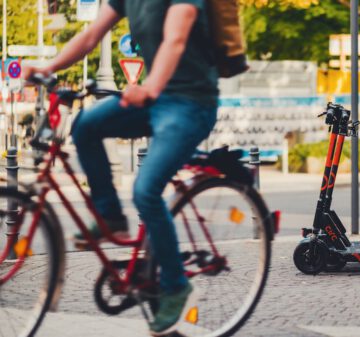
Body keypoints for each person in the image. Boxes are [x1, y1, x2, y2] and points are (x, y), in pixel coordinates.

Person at [23, 0, 218, 335]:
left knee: (146, 190)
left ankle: (175, 286)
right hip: (153, 99)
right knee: (85, 125)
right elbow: (91, 36)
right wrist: (47, 67)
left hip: (189, 103)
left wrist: (150, 88)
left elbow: (175, 38)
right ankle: (110, 214)